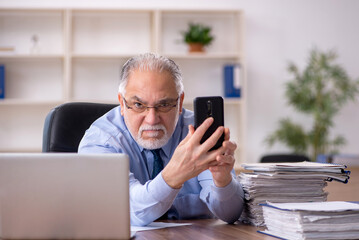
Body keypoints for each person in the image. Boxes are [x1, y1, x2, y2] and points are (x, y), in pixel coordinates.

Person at [78, 53, 244, 226]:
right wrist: (175, 174)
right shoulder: (101, 140)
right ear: (122, 103)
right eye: (138, 105)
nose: (151, 119)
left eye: (164, 105)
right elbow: (129, 210)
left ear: (180, 104)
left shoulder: (198, 134)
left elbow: (230, 215)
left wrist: (222, 181)